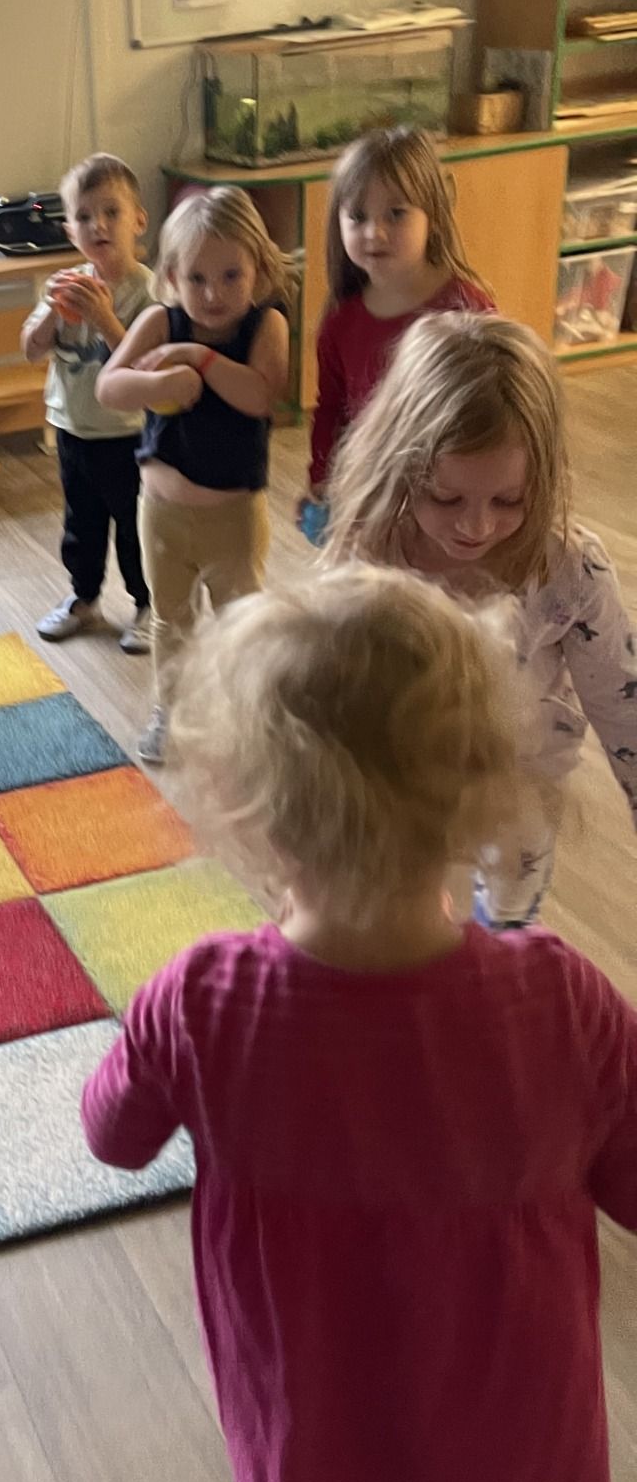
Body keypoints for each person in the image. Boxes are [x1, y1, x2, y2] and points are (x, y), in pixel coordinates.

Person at [83, 565, 637, 1482]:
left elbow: (111, 1132)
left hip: (318, 1452)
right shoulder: (562, 1000)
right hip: (517, 1468)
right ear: (483, 790)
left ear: (249, 805)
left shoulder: (200, 1001)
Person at [324, 311, 636, 926]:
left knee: (500, 944)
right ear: (400, 465)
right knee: (402, 943)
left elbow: (626, 713)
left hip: (515, 816)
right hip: (399, 810)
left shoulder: (571, 570)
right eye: (446, 497)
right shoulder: (371, 552)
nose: (476, 526)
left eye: (508, 500)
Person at [95, 186, 289, 765]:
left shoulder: (266, 326)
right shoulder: (160, 320)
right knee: (170, 621)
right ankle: (173, 713)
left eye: (231, 276)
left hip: (233, 518)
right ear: (172, 275)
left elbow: (260, 396)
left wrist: (199, 360)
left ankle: (248, 718)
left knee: (241, 624)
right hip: (161, 515)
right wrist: (158, 383)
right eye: (196, 278)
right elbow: (109, 387)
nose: (212, 294)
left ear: (258, 268)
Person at [301, 126, 493, 538]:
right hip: (374, 496)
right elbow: (331, 409)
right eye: (358, 217)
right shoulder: (340, 324)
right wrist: (321, 478)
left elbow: (496, 411)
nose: (374, 232)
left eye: (396, 213)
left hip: (448, 500)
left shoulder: (467, 309)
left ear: (433, 217)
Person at [21, 153, 154, 653]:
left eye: (111, 212)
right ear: (69, 230)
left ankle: (149, 605)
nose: (98, 225)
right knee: (81, 523)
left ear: (138, 220)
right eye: (83, 216)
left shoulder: (149, 292)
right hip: (73, 427)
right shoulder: (63, 285)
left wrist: (103, 319)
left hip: (129, 431)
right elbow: (31, 349)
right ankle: (84, 598)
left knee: (136, 525)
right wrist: (52, 314)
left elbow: (146, 366)